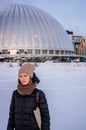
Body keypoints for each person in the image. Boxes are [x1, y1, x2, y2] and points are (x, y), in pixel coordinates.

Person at [7, 63, 50, 130]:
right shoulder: (15, 94)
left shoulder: (39, 94)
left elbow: (45, 117)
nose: (22, 79)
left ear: (31, 77)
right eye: (20, 76)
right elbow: (11, 115)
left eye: (25, 76)